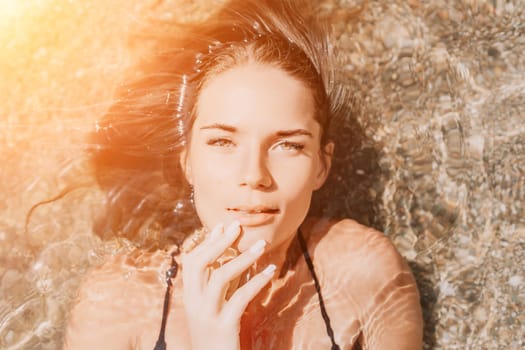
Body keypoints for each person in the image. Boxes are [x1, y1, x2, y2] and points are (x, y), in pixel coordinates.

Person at [63, 0, 423, 349]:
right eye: (222, 142)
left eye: (289, 146)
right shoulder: (117, 301)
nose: (254, 176)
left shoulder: (363, 271)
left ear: (321, 165)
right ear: (187, 161)